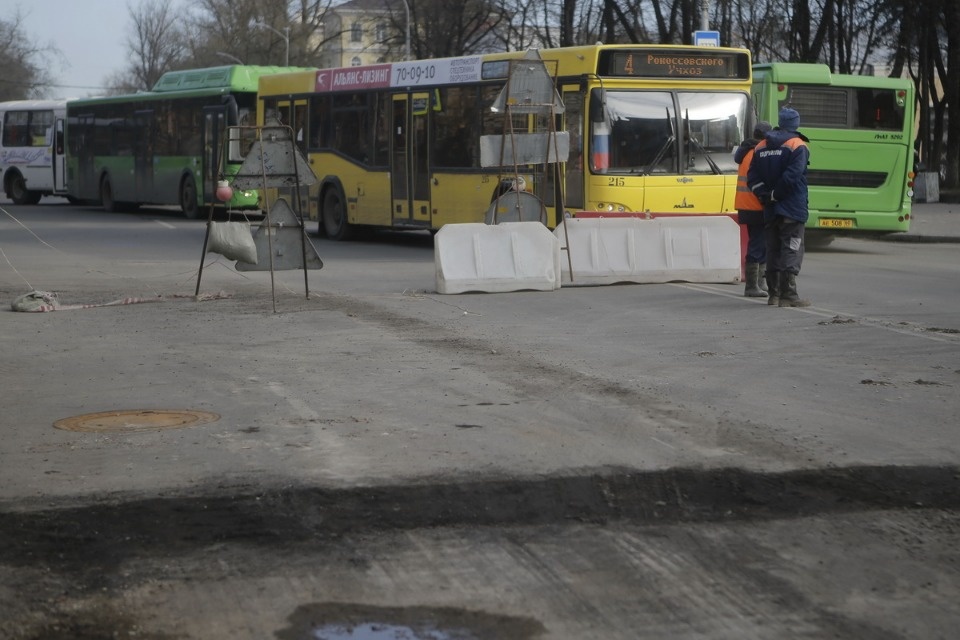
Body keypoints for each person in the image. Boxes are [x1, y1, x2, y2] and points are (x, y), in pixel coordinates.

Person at [747, 107, 811, 307]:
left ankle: (773, 295)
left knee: (773, 249)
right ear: (795, 124)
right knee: (791, 248)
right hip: (792, 208)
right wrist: (777, 194)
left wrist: (766, 195)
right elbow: (793, 175)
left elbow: (752, 178)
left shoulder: (760, 147)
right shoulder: (797, 145)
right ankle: (789, 295)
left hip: (769, 209)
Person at [734, 120, 773, 297]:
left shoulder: (746, 152)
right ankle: (752, 285)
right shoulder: (758, 153)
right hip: (756, 205)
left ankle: (759, 282)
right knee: (758, 243)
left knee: (760, 242)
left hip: (745, 205)